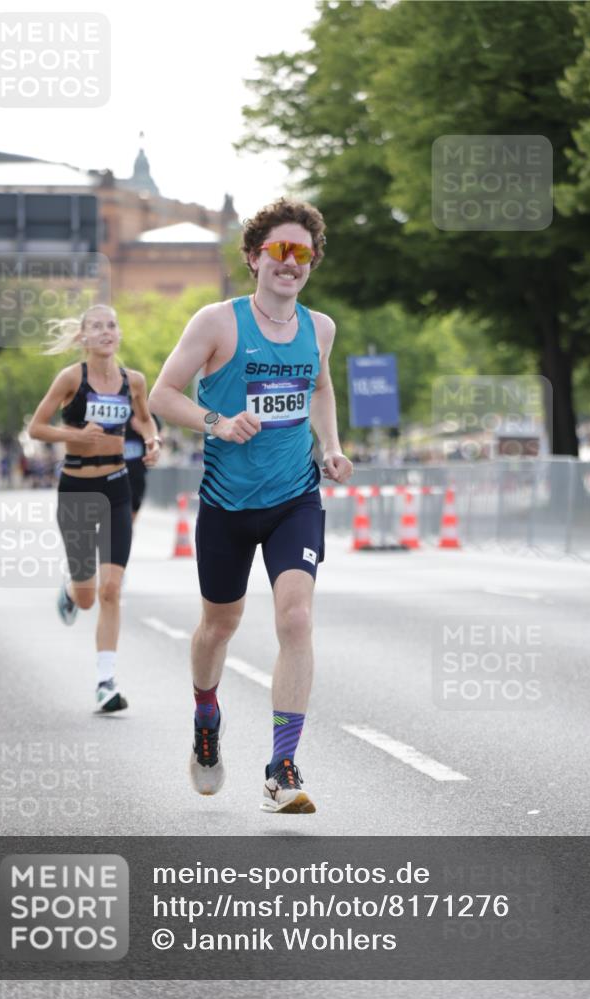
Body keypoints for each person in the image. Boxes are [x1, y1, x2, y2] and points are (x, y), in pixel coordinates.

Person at [149, 198, 353, 813]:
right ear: (254, 257)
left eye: (302, 253)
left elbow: (320, 385)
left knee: (295, 620)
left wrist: (332, 447)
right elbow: (162, 394)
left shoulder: (320, 327)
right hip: (227, 505)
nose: (290, 264)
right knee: (220, 626)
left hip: (295, 498)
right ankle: (206, 716)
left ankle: (282, 768)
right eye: (279, 251)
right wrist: (215, 421)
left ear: (312, 262)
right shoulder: (218, 323)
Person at [28, 304, 161, 711]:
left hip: (116, 488)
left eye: (112, 326)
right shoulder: (72, 378)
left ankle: (106, 682)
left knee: (111, 589)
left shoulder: (133, 381)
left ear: (119, 335)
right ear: (84, 337)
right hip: (77, 492)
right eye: (97, 327)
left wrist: (153, 441)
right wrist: (76, 435)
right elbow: (36, 427)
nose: (106, 332)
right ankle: (70, 592)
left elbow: (145, 420)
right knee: (87, 596)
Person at [125, 412, 163, 522]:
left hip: (136, 476)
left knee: (127, 525)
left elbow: (158, 439)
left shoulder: (145, 412)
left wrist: (144, 430)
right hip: (110, 473)